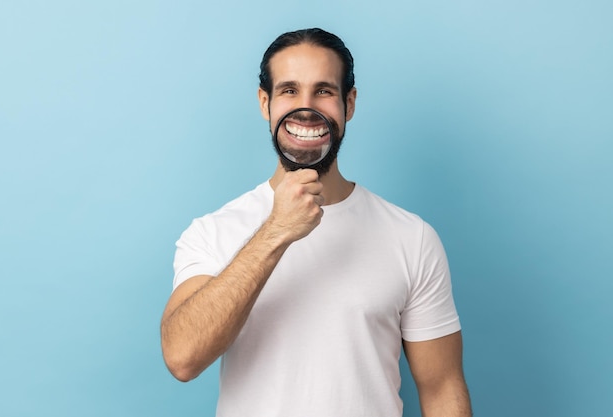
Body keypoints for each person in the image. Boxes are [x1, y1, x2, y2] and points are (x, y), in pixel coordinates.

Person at [161, 28, 472, 417]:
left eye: (323, 91)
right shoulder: (212, 233)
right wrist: (276, 231)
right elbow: (182, 358)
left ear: (349, 103)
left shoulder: (412, 237)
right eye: (289, 90)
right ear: (265, 102)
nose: (306, 107)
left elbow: (442, 388)